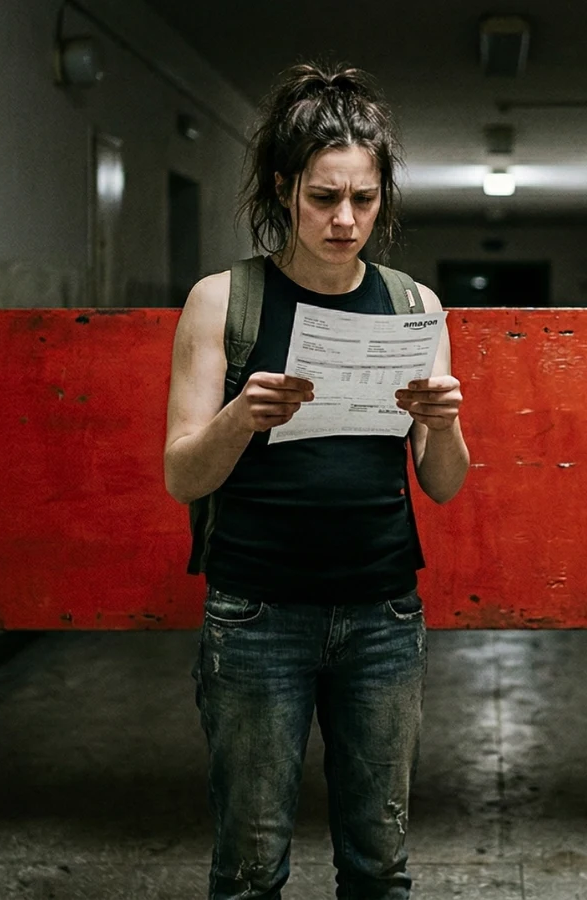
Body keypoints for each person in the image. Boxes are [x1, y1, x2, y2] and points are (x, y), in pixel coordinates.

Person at [163, 63, 469, 900]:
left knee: (380, 866)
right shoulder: (225, 301)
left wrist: (442, 421)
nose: (344, 221)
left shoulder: (414, 306)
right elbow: (181, 477)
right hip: (258, 613)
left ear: (383, 198)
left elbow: (444, 484)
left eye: (362, 200)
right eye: (323, 197)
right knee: (252, 867)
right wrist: (238, 419)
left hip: (382, 613)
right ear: (282, 187)